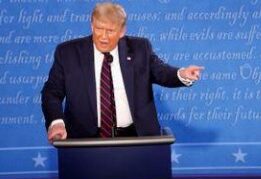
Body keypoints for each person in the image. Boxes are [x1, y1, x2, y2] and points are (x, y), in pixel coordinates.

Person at [41, 2, 204, 141]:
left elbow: (162, 72)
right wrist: (56, 122)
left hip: (135, 136)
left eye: (110, 31)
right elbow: (51, 93)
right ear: (91, 25)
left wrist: (182, 74)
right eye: (98, 28)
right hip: (85, 139)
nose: (103, 36)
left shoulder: (140, 49)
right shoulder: (68, 53)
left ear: (122, 31)